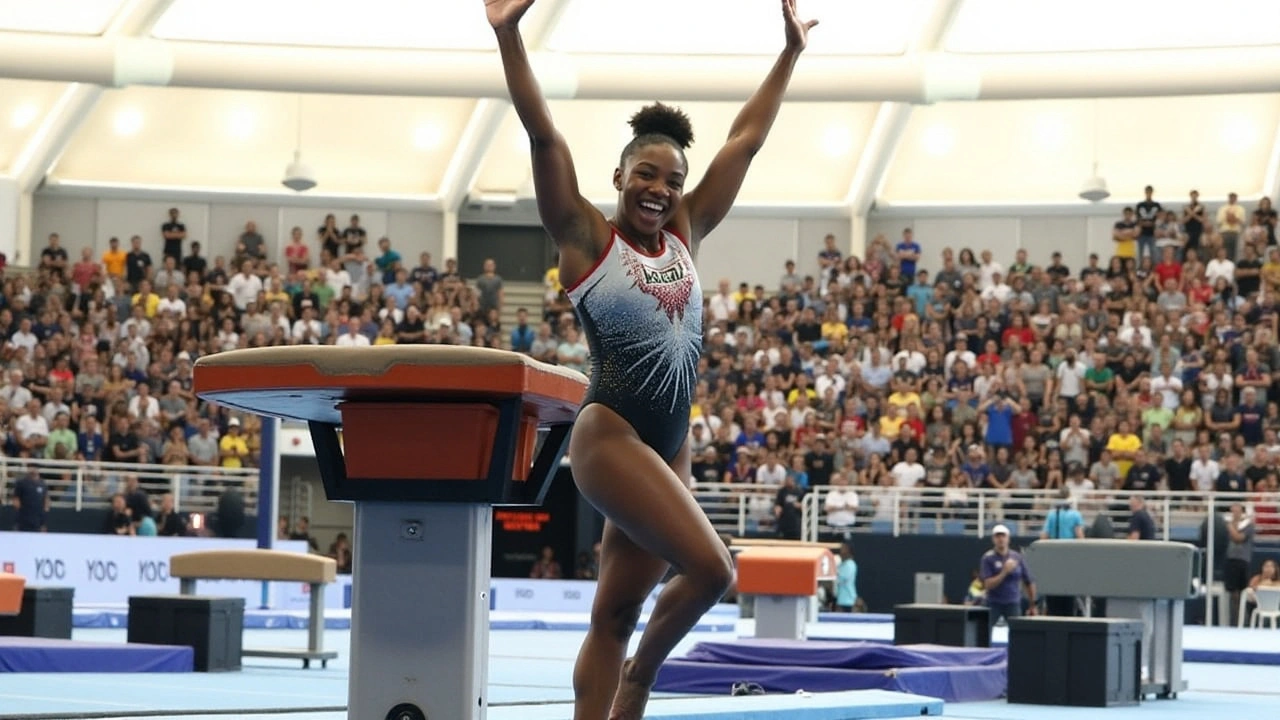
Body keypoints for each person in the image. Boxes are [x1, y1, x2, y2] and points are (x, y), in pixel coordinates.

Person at [486, 0, 819, 716]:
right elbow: (544, 134)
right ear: (619, 175)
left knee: (613, 616)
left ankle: (619, 690)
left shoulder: (685, 233)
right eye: (647, 174)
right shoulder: (584, 236)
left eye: (672, 180)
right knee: (712, 570)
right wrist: (508, 33)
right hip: (612, 437)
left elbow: (746, 140)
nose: (660, 190)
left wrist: (789, 52)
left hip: (669, 448)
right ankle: (639, 679)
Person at [979, 524, 1037, 629]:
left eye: (1003, 536)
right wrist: (1004, 572)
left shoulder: (1017, 557)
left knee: (1016, 635)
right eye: (997, 536)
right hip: (993, 603)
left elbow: (1029, 581)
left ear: (1008, 538)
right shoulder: (988, 558)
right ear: (993, 539)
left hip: (1013, 603)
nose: (1001, 539)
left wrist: (1032, 605)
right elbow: (988, 585)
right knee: (985, 634)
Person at [834, 543, 858, 613]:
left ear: (849, 551)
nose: (841, 552)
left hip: (848, 600)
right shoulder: (842, 564)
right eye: (841, 550)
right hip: (841, 599)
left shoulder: (850, 564)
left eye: (843, 549)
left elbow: (841, 579)